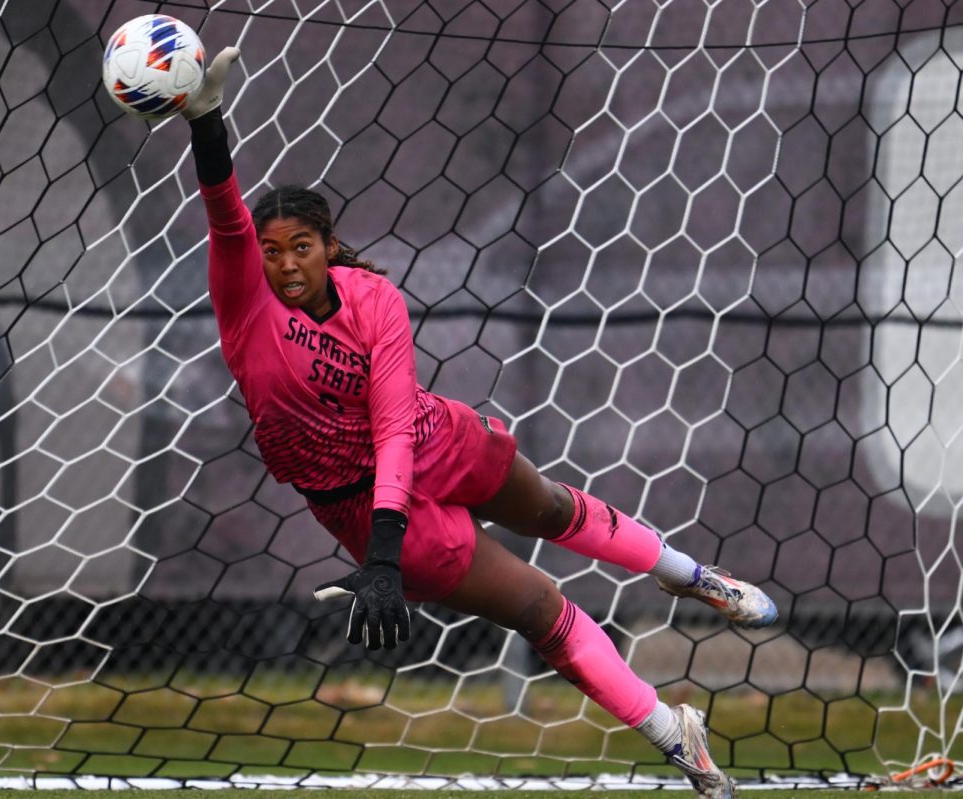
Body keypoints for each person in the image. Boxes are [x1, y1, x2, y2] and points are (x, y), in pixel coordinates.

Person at [175, 46, 776, 799]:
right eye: (271, 252)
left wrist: (385, 558)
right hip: (358, 504)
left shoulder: (373, 300)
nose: (285, 263)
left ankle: (691, 576)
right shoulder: (245, 306)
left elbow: (395, 424)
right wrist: (205, 121)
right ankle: (676, 736)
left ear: (330, 249)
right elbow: (225, 215)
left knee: (554, 508)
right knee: (538, 610)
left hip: (432, 441)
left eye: (302, 246)